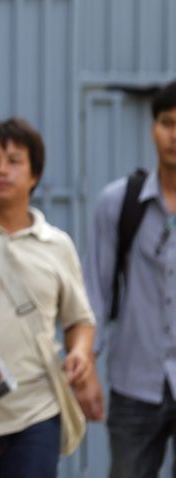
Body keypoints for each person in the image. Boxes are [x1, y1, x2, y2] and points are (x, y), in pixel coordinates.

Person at [0, 118, 98, 478]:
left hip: (37, 411)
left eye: (14, 160)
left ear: (34, 175)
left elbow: (79, 320)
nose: (1, 169)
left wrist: (78, 352)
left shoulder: (57, 244)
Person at [83, 80, 176, 478]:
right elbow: (94, 292)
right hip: (135, 381)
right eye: (167, 123)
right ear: (153, 128)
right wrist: (86, 363)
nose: (175, 135)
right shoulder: (117, 202)